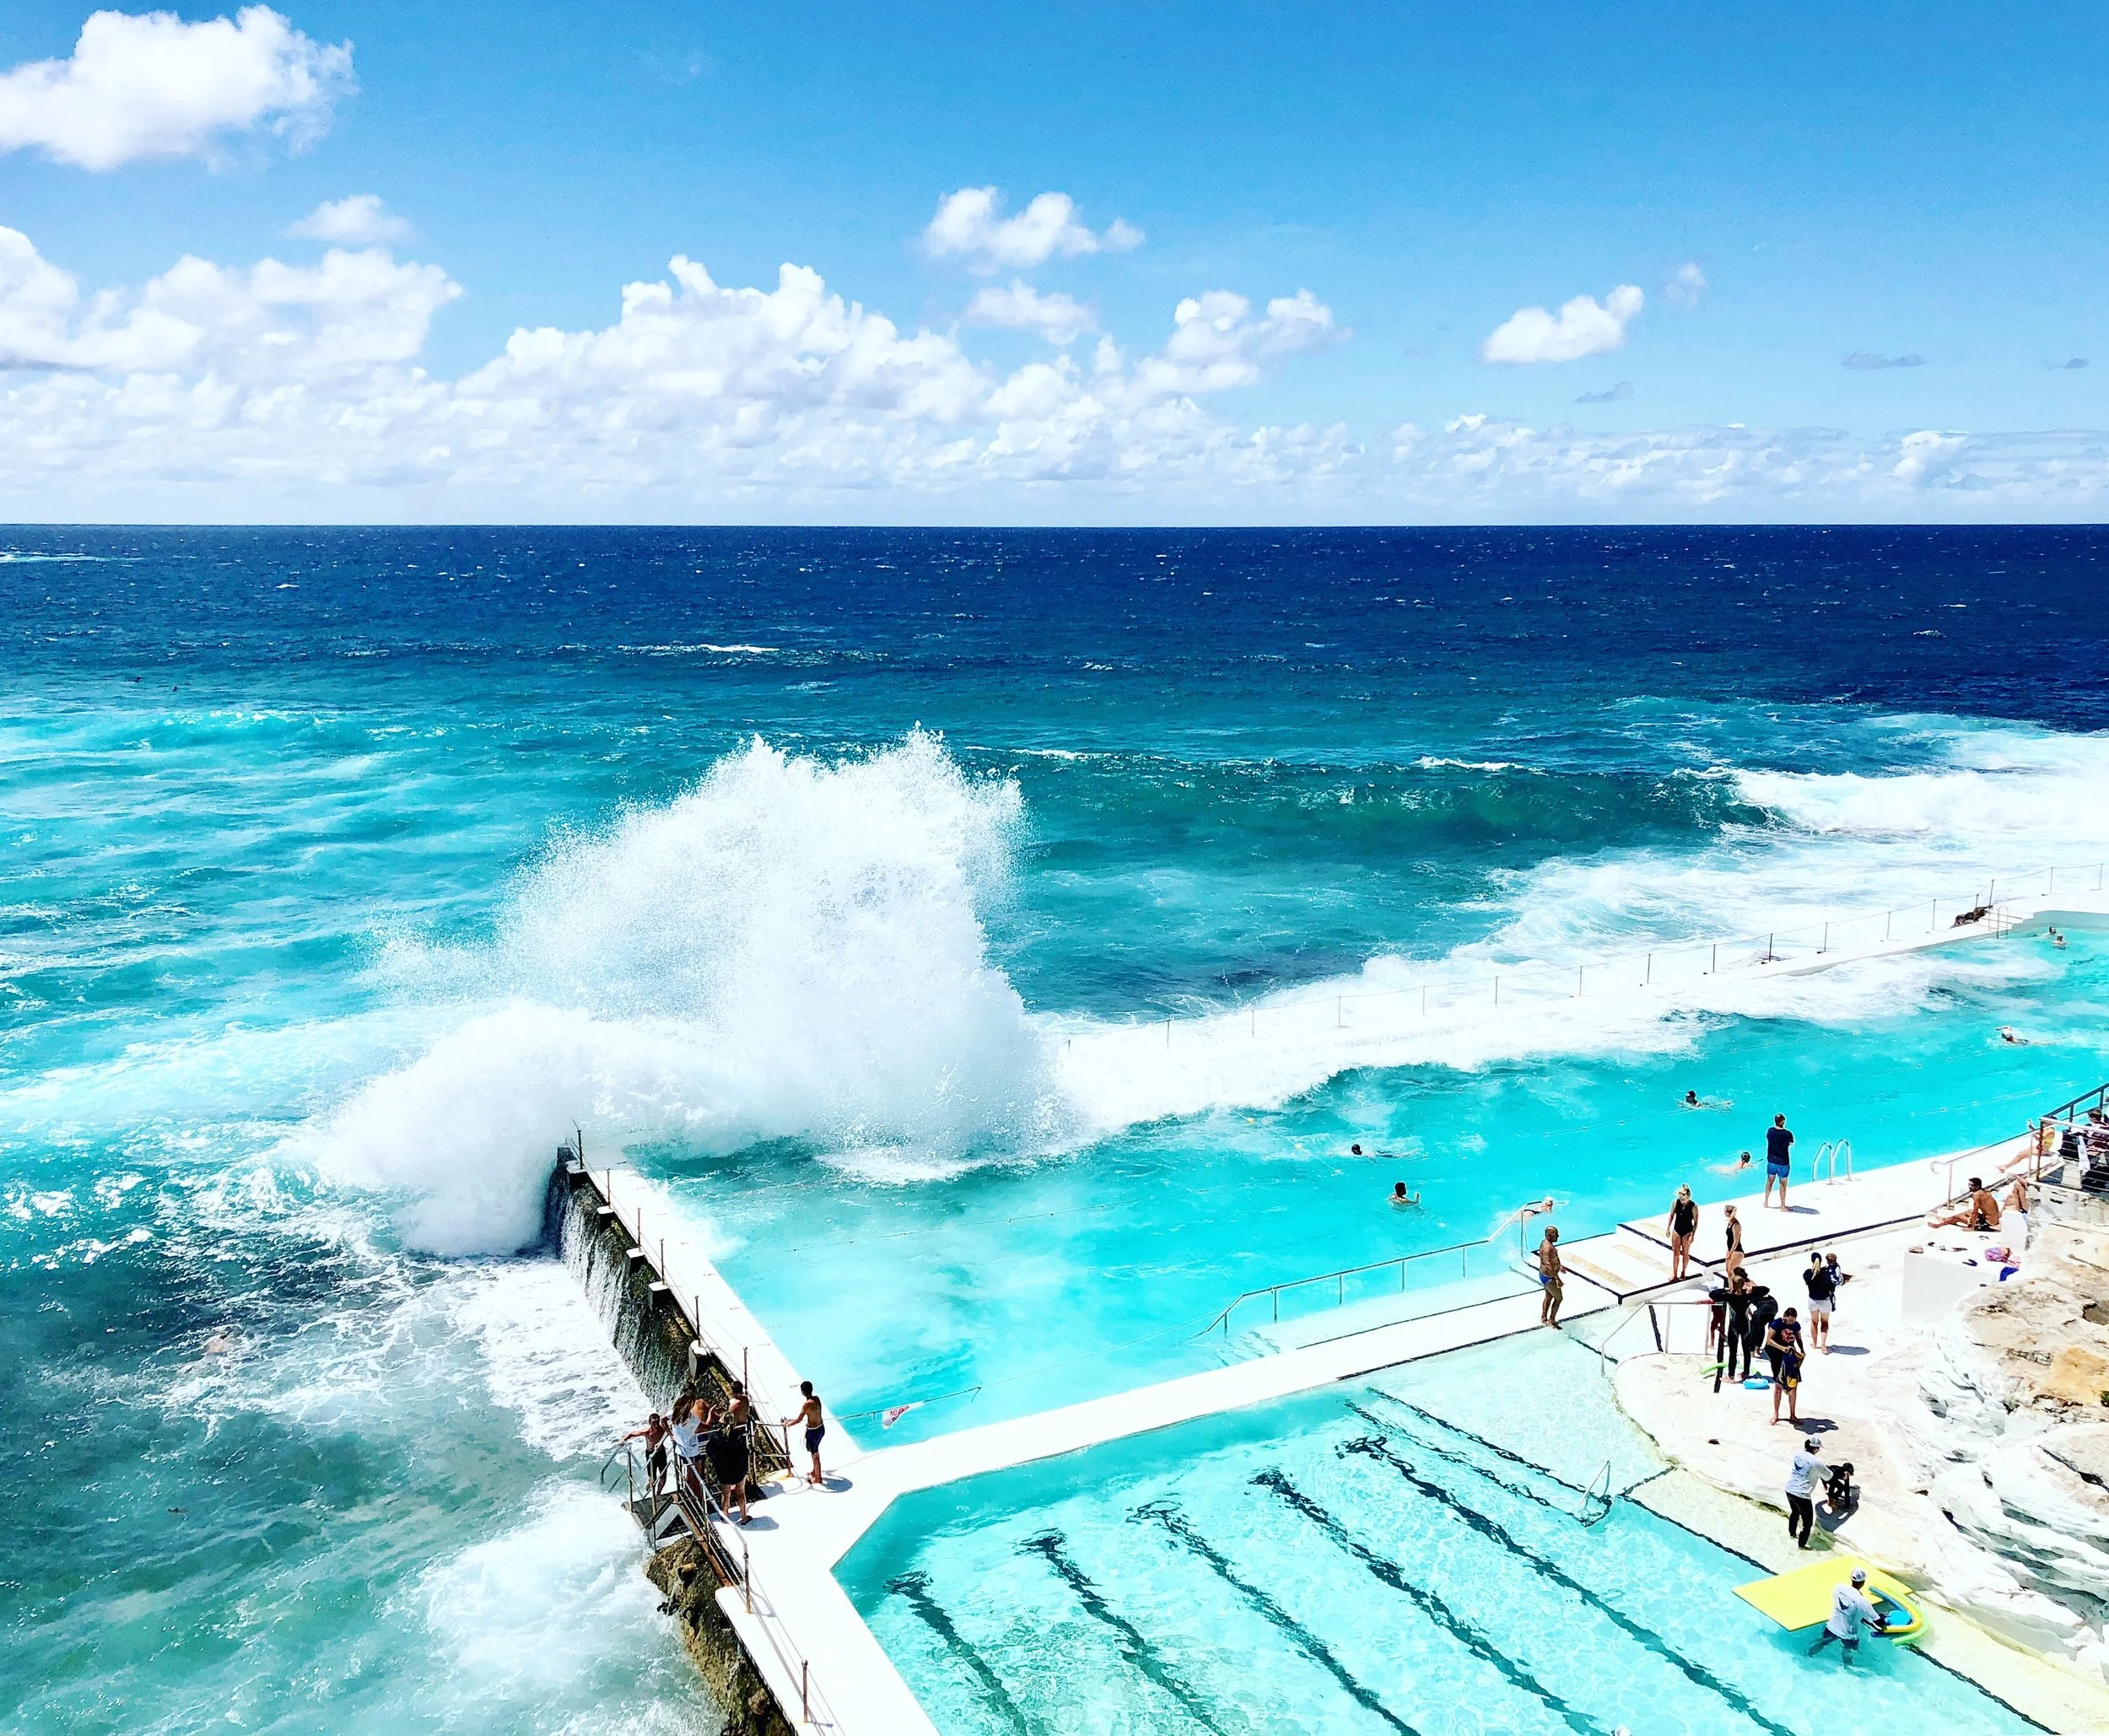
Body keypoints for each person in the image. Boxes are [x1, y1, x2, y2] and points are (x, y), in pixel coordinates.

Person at [1809, 1568, 1887, 1663]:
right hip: (1848, 1634)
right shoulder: (1863, 1602)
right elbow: (1878, 1622)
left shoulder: (1838, 1588)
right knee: (1847, 1650)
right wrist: (1883, 1619)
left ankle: (1808, 1655)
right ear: (1863, 1583)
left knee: (1822, 1642)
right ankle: (1847, 1668)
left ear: (1851, 1579)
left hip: (1832, 1626)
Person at [704, 1410, 752, 1523]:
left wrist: (718, 1462)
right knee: (741, 1492)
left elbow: (710, 1452)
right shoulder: (739, 1436)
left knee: (726, 1495)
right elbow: (745, 1452)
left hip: (724, 1471)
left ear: (721, 1423)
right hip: (739, 1470)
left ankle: (725, 1517)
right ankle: (744, 1517)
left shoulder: (716, 1437)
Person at [1784, 1433, 1826, 1550]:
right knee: (1807, 1524)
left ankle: (1792, 1534)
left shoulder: (1798, 1454)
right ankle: (1802, 1546)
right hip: (1802, 1494)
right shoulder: (1816, 1462)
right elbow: (1828, 1475)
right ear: (1816, 1448)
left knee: (1795, 1512)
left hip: (1789, 1490)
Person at [1715, 1272, 1754, 1388]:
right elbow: (1765, 1290)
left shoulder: (1730, 1297)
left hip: (1734, 1326)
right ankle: (1746, 1373)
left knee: (1733, 1351)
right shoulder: (1747, 1296)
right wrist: (1751, 1289)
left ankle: (1731, 1376)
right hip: (1746, 1325)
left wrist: (1727, 1291)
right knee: (1746, 1350)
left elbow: (1714, 1294)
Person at [785, 1380, 827, 1487]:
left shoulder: (807, 1404)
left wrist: (787, 1424)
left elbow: (798, 1420)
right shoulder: (817, 1399)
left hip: (814, 1432)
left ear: (802, 1392)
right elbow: (813, 1415)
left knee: (815, 1455)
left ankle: (818, 1478)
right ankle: (815, 1471)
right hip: (821, 1428)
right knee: (815, 1451)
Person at [622, 1410, 672, 1500]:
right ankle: (650, 1483)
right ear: (650, 1423)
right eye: (653, 1423)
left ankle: (658, 1494)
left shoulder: (663, 1429)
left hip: (661, 1453)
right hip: (651, 1455)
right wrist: (623, 1440)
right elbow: (632, 1434)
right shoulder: (647, 1431)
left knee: (663, 1477)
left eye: (657, 1423)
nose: (656, 1425)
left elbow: (670, 1431)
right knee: (653, 1479)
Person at [1767, 1308, 1805, 1424]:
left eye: (1793, 1321)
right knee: (1778, 1386)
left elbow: (1798, 1338)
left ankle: (1792, 1414)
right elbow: (1769, 1340)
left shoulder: (1796, 1325)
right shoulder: (1776, 1324)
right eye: (1789, 1321)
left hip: (1790, 1356)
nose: (1791, 1323)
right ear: (1785, 1316)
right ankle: (1776, 1414)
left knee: (1793, 1385)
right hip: (1777, 1357)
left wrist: (1802, 1351)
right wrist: (1782, 1348)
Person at [1930, 1177, 2001, 1232]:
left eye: (1971, 1185)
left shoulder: (1977, 1195)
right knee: (1968, 1211)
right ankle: (1945, 1219)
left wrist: (1971, 1227)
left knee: (1957, 1218)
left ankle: (1940, 1224)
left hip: (1988, 1224)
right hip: (1994, 1220)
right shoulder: (1985, 1192)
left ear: (1977, 1187)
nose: (1969, 1187)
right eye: (1969, 1185)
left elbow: (1975, 1213)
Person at [1803, 1252, 1838, 1353]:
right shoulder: (1826, 1274)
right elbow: (1832, 1287)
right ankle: (1823, 1345)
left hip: (1813, 1300)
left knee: (1814, 1322)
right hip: (1825, 1301)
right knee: (1825, 1322)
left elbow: (1807, 1282)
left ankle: (1814, 1344)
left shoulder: (1808, 1273)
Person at [1666, 1185, 1699, 1280]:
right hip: (1677, 1230)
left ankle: (1683, 1272)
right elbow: (1671, 1216)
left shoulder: (1693, 1206)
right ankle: (1675, 1274)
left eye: (1683, 1199)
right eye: (1681, 1199)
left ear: (1688, 1197)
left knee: (1685, 1253)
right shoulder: (1676, 1203)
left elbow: (1696, 1223)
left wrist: (1692, 1235)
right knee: (1675, 1253)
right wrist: (1668, 1228)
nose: (1682, 1201)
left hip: (1687, 1231)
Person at [1763, 1114, 1793, 1209]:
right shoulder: (1787, 1134)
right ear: (1783, 1121)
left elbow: (1769, 1139)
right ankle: (1783, 1206)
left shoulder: (1770, 1131)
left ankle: (1766, 1201)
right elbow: (1791, 1144)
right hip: (1783, 1162)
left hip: (1771, 1161)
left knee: (1769, 1181)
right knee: (1783, 1184)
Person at [1537, 1226, 1564, 1328]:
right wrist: (1557, 1279)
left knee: (1549, 1296)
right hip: (1550, 1277)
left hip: (1544, 1275)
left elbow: (1549, 1260)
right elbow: (1547, 1264)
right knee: (1559, 1298)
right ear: (1549, 1236)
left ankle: (1544, 1317)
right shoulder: (1547, 1248)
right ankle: (1551, 1321)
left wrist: (1559, 1266)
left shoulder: (1545, 1243)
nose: (1557, 1236)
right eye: (1555, 1234)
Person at [2005, 1175, 2031, 1248]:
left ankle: (2017, 1207)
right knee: (2016, 1185)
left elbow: (2027, 1184)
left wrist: (2016, 1176)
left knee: (2017, 1184)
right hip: (2027, 1208)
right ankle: (2017, 1207)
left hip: (2028, 1209)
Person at [1721, 1203, 1745, 1279]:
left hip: (1737, 1251)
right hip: (1730, 1249)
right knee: (1728, 1271)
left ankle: (1734, 1289)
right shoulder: (1729, 1222)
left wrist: (1730, 1252)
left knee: (1731, 1272)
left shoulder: (1736, 1225)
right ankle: (1731, 1288)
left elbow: (1736, 1241)